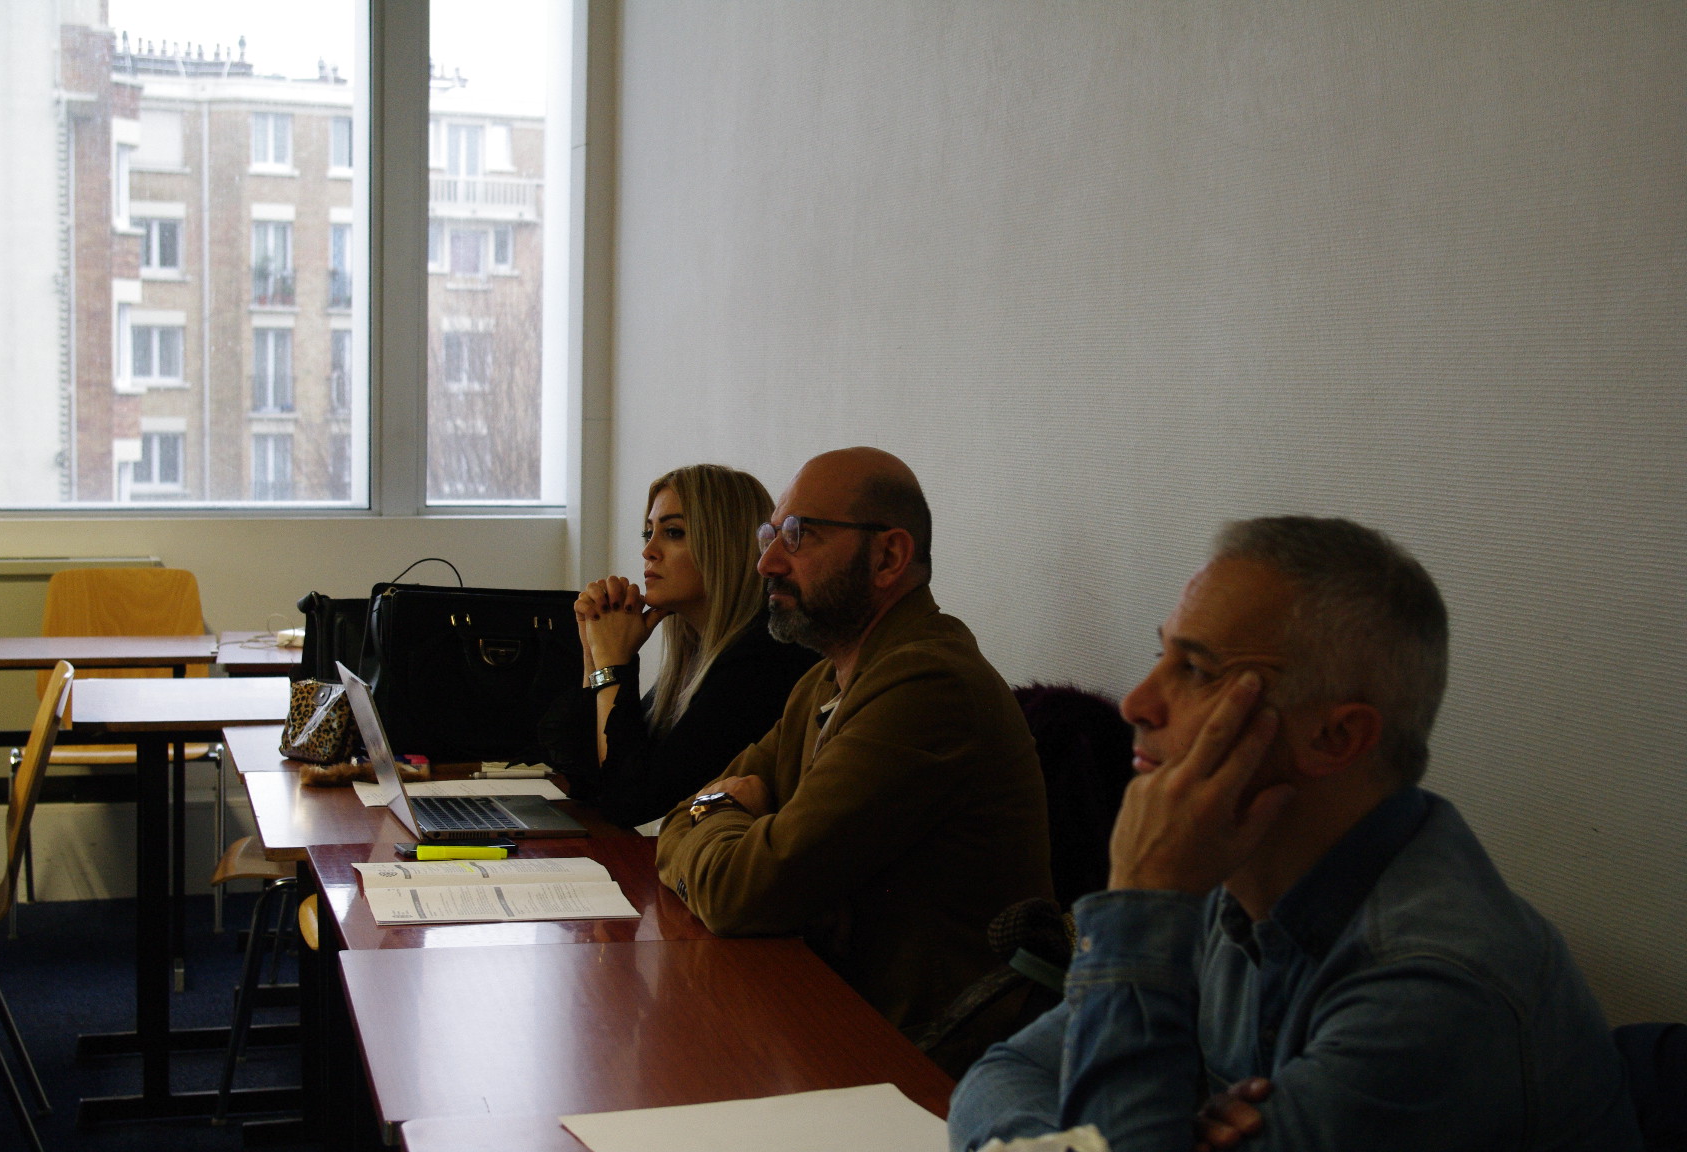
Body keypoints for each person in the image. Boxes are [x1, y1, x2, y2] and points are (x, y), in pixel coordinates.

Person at [949, 516, 1641, 1152]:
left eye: (1196, 671)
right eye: (1162, 655)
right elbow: (1003, 1074)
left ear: (1336, 736)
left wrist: (1140, 901)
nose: (1137, 703)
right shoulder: (1235, 876)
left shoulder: (1434, 987)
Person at [656, 447, 1052, 1075]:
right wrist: (721, 813)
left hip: (926, 1063)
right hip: (831, 1018)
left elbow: (741, 892)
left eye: (798, 536)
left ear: (888, 557)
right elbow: (678, 817)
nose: (767, 563)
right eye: (769, 537)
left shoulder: (928, 685)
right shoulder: (824, 681)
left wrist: (719, 812)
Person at [542, 464, 817, 828]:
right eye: (648, 533)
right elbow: (586, 778)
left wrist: (613, 663)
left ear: (727, 546)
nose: (649, 551)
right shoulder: (698, 655)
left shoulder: (761, 659)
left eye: (673, 532)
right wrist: (594, 651)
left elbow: (631, 802)